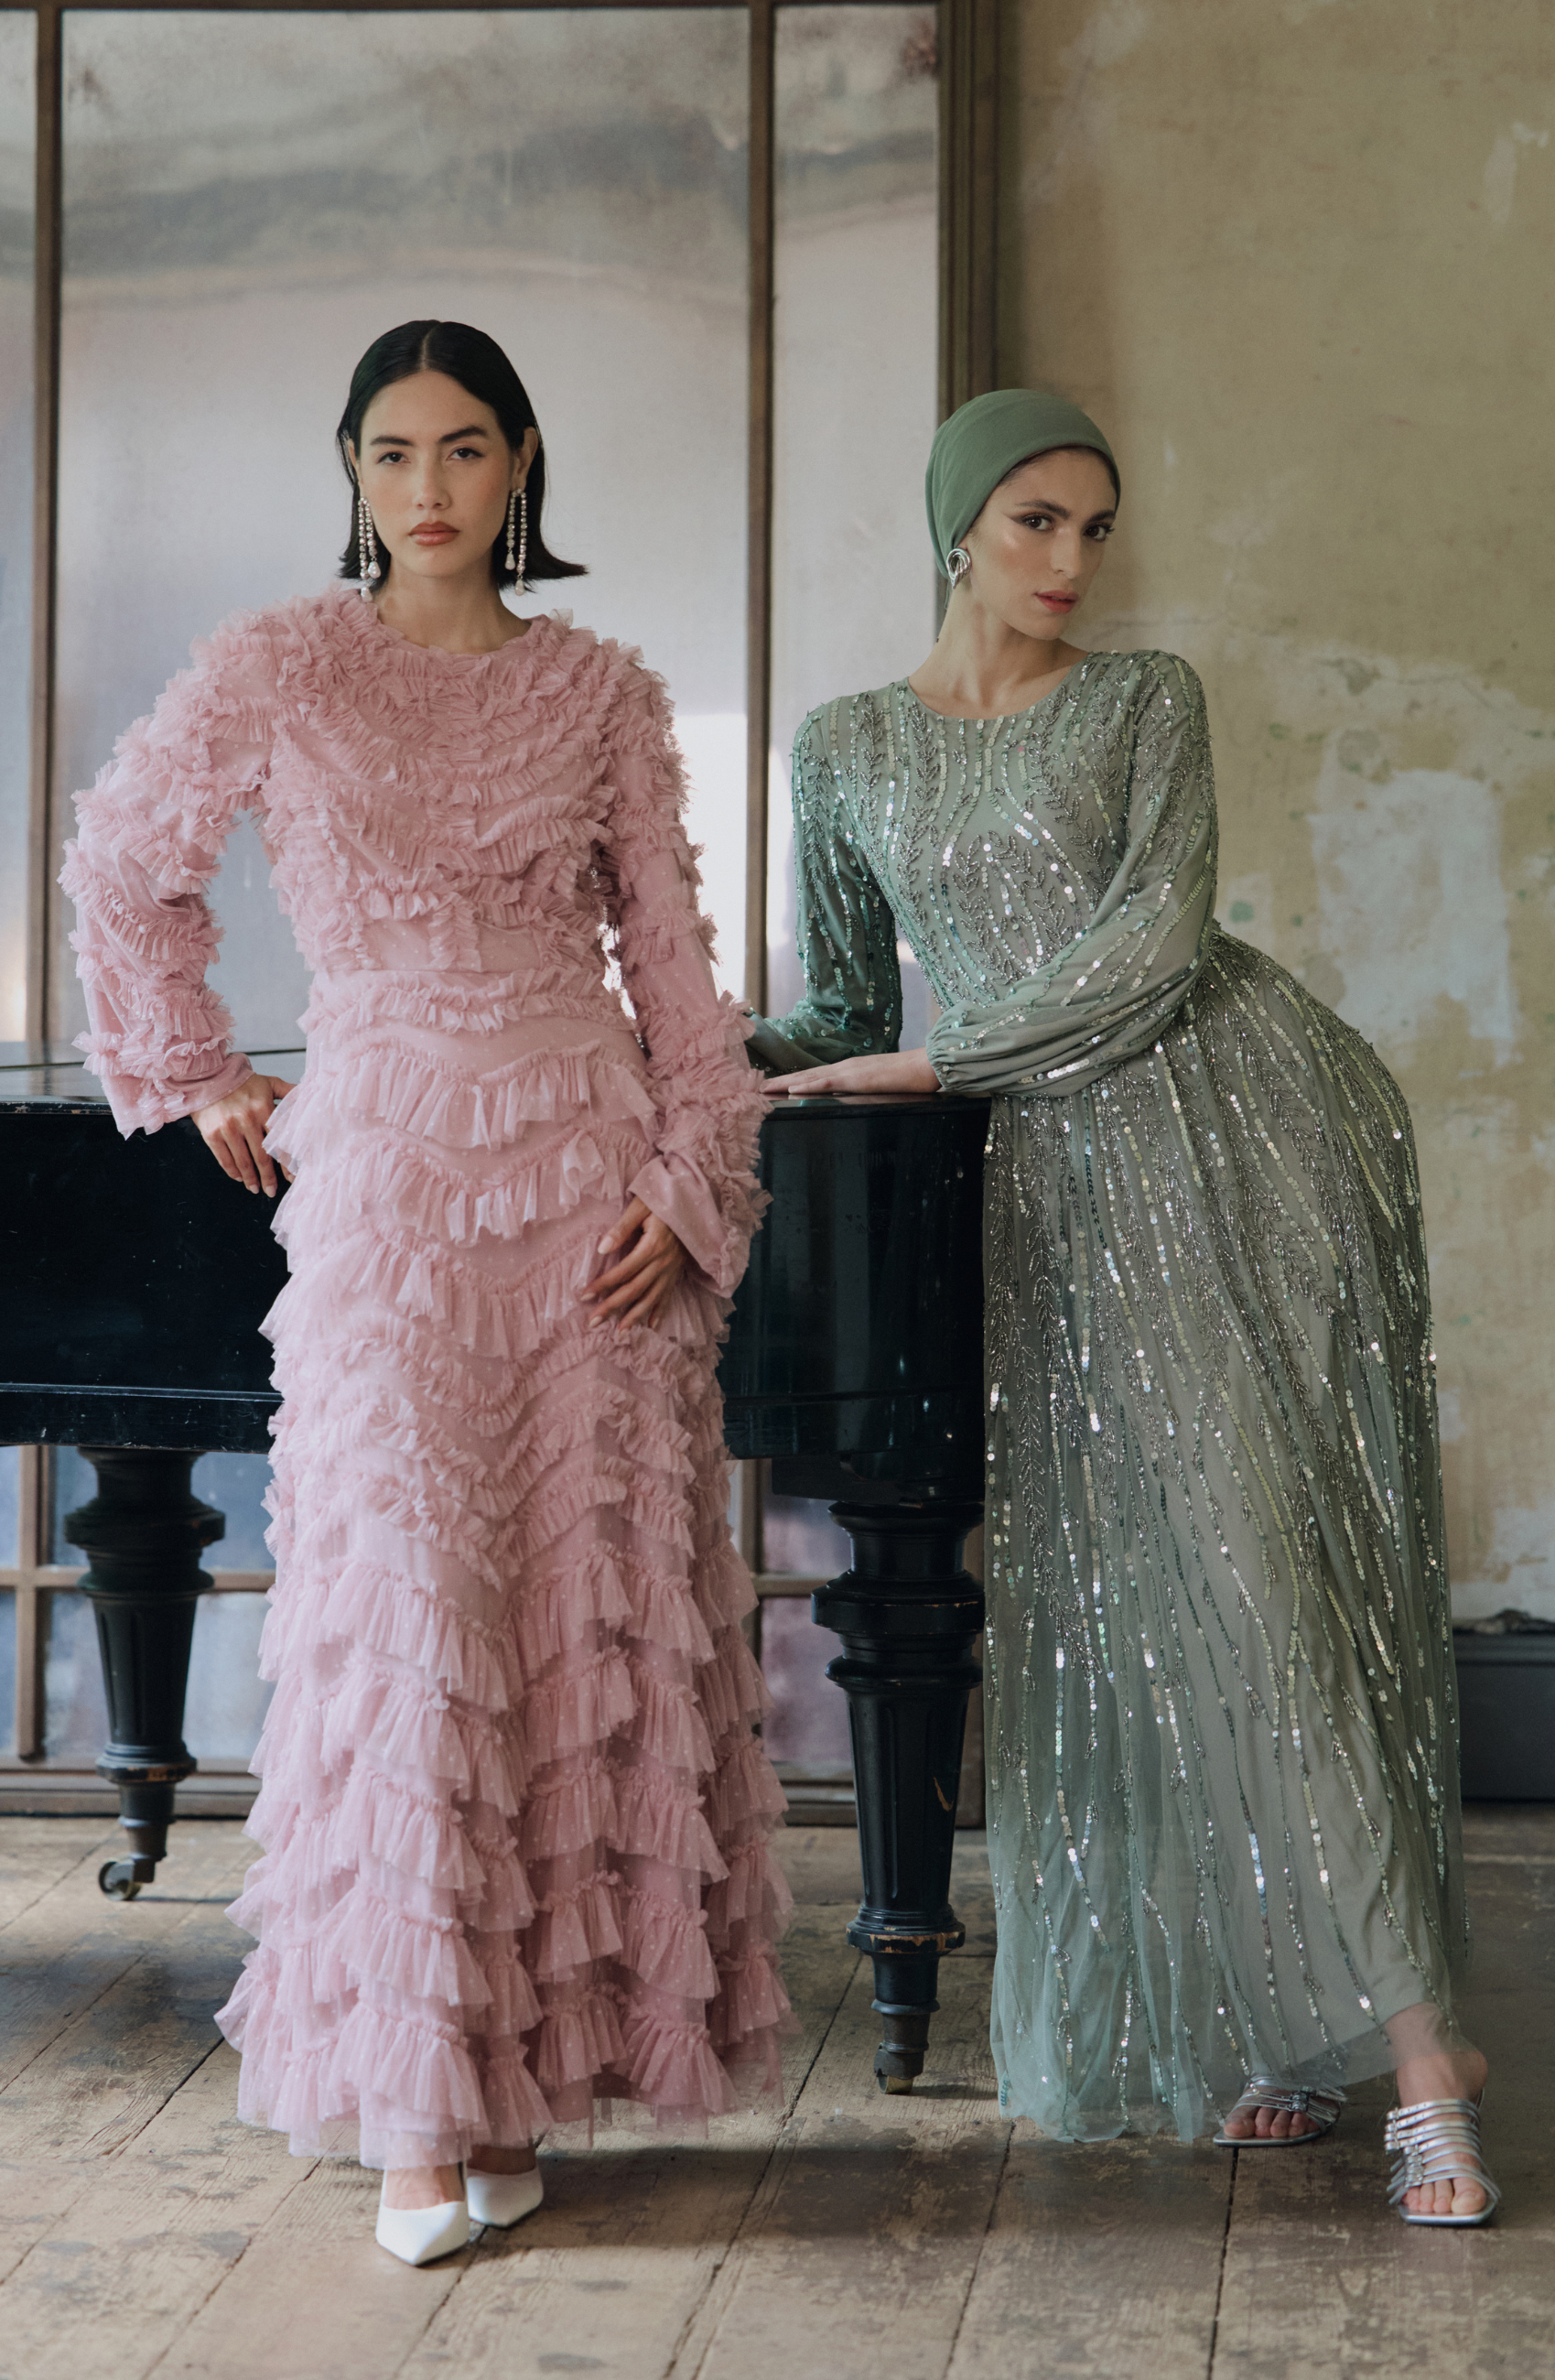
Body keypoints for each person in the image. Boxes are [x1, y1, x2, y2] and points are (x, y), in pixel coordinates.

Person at [61, 319, 790, 2266]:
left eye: (466, 448)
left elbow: (682, 978)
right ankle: (408, 2108)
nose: (431, 487)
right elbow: (127, 863)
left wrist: (694, 1180)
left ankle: (517, 2083)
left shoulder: (605, 691)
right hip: (382, 1182)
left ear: (521, 461)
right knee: (408, 1616)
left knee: (569, 1617)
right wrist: (203, 1061)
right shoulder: (282, 664)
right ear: (355, 471)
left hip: (589, 1195)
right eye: (393, 453)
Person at [749, 387, 1497, 2227]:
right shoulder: (844, 748)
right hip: (1040, 1193)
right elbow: (843, 1008)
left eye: (1093, 524)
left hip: (1223, 1133)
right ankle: (1265, 2021)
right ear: (957, 527)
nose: (1074, 560)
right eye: (1034, 522)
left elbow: (1155, 951)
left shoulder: (1144, 702)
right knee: (1117, 1602)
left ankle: (1426, 2067)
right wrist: (686, 1056)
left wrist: (932, 1070)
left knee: (1262, 1575)